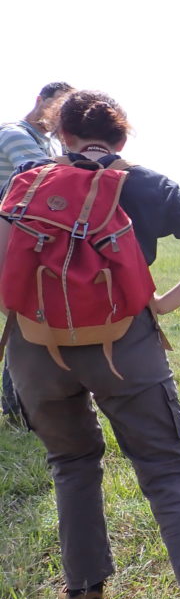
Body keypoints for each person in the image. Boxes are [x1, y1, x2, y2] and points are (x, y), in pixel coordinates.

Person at [0, 90, 180, 599]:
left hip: (37, 348)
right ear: (121, 136)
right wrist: (164, 302)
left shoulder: (28, 182)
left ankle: (83, 597)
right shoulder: (146, 183)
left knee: (71, 464)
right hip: (125, 346)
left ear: (61, 134)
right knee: (167, 471)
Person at [0, 81, 74, 423]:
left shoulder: (49, 141)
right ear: (40, 100)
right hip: (10, 238)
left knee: (28, 315)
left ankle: (20, 405)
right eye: (56, 105)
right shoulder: (14, 134)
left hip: (26, 237)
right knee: (23, 316)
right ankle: (18, 405)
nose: (59, 114)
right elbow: (42, 175)